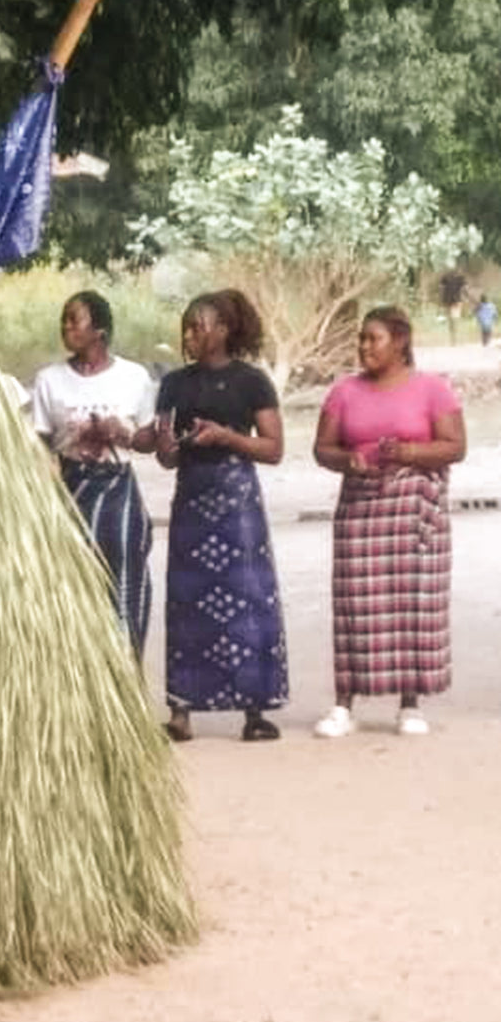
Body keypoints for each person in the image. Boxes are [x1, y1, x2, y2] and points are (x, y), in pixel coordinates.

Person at [312, 304, 466, 737]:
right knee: (354, 605)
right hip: (360, 510)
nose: (364, 347)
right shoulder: (344, 392)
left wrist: (411, 453)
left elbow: (455, 446)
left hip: (416, 512)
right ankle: (344, 704)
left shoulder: (433, 389)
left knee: (413, 603)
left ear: (400, 342)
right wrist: (349, 458)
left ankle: (410, 703)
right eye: (361, 339)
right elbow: (322, 449)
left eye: (372, 339)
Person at [155, 289, 288, 743]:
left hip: (237, 502)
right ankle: (181, 711)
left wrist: (227, 437)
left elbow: (273, 449)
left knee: (249, 600)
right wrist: (165, 444)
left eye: (198, 327)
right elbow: (168, 459)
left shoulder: (251, 382)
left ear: (224, 331)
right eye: (186, 328)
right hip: (191, 498)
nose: (189, 335)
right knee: (186, 603)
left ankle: (255, 710)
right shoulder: (174, 383)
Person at [31, 291, 156, 660]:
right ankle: (82, 683)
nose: (66, 326)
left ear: (99, 330)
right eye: (64, 320)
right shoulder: (49, 379)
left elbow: (148, 441)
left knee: (124, 582)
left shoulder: (133, 377)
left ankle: (125, 677)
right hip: (70, 492)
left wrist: (122, 433)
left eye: (75, 319)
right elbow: (41, 441)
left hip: (118, 492)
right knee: (70, 585)